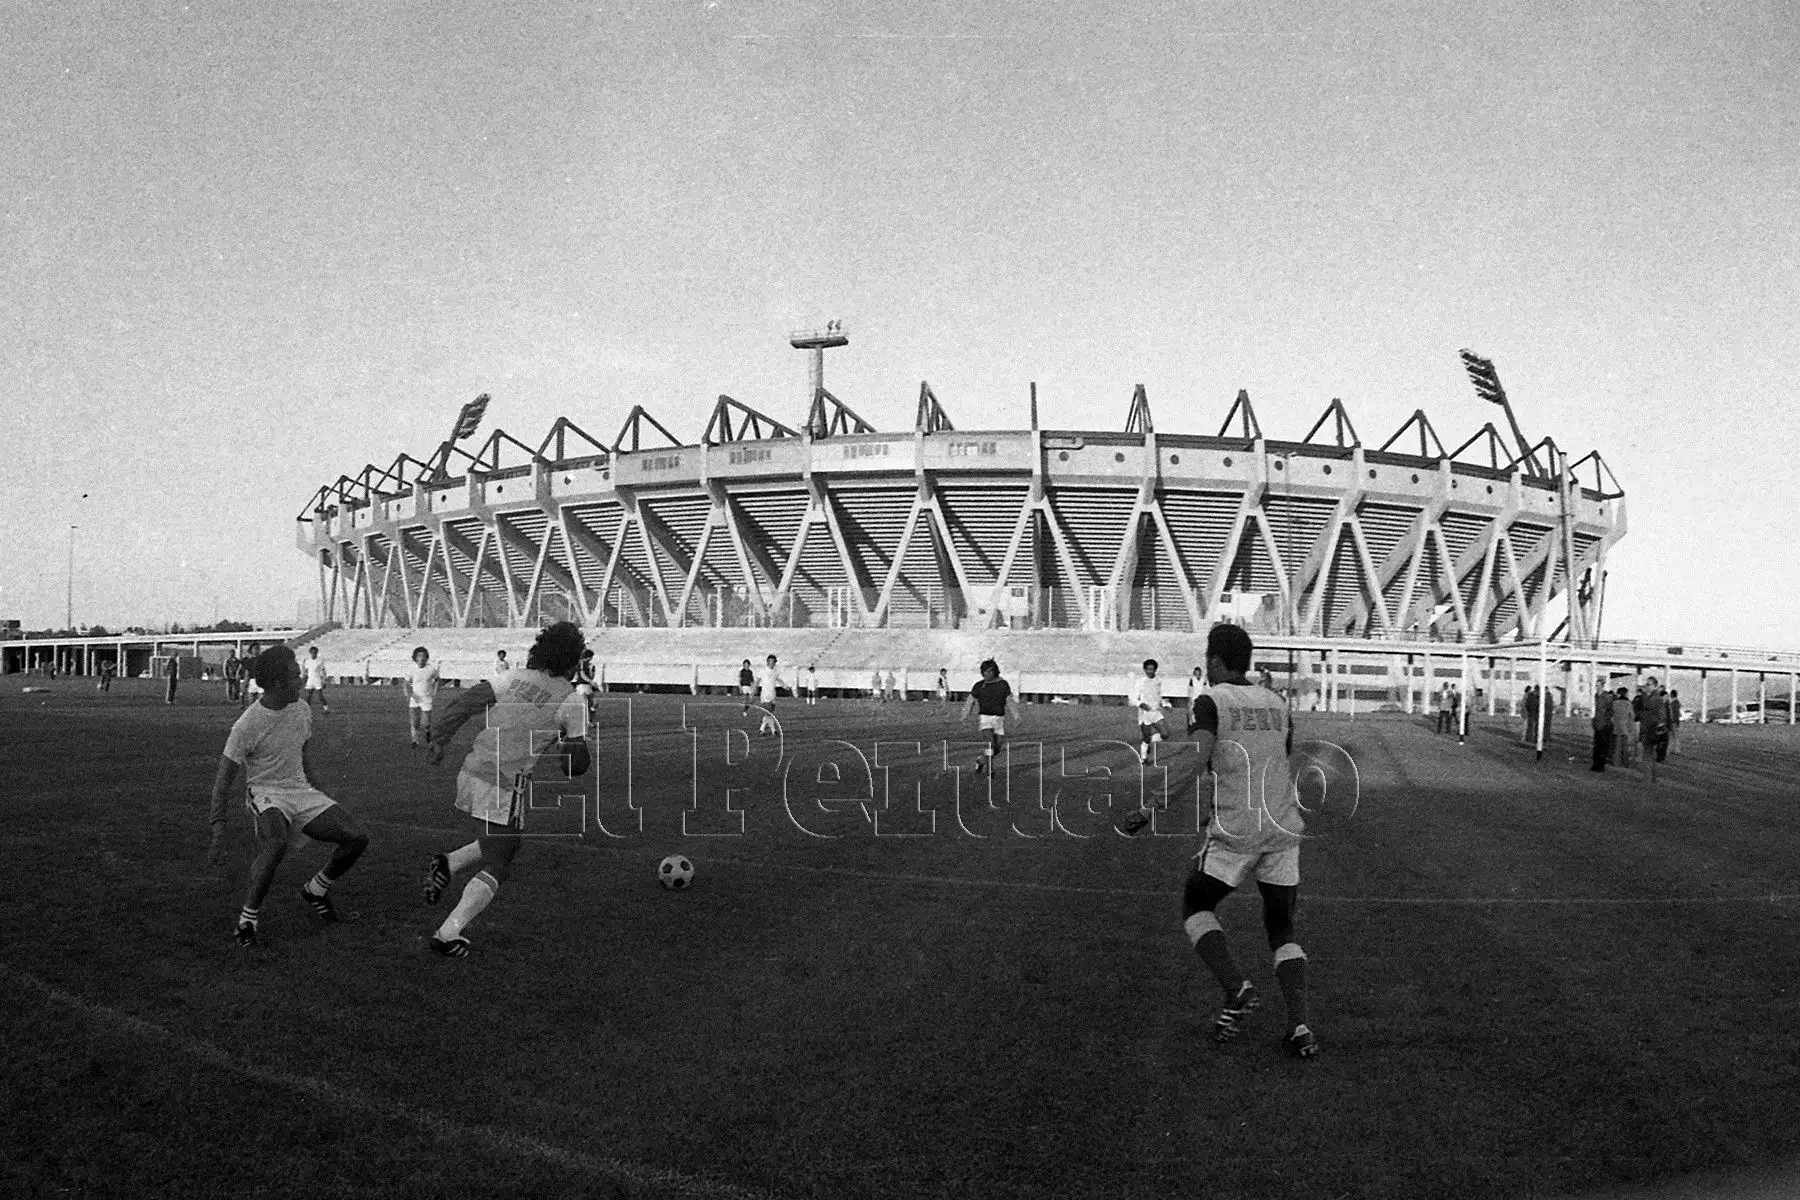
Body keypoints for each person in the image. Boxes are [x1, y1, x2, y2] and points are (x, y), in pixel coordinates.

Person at [1172, 623, 1317, 1058]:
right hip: (1283, 828)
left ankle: (1236, 989)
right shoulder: (1276, 702)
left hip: (1237, 833)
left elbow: (1196, 759)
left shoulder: (1210, 700)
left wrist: (1151, 806)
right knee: (1281, 927)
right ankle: (1300, 1027)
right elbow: (1276, 759)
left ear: (1215, 660)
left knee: (1195, 905)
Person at [421, 622, 590, 958]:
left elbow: (467, 702)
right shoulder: (571, 701)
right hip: (503, 782)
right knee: (501, 858)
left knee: (501, 841)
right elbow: (575, 766)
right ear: (572, 662)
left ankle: (448, 863)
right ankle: (448, 931)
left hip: (471, 770)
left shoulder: (515, 677)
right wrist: (573, 745)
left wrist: (439, 740)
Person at [208, 646, 370, 947]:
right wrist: (218, 826)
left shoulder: (301, 710)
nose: (301, 680)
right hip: (266, 793)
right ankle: (247, 921)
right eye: (296, 676)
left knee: (357, 837)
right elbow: (224, 778)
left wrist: (321, 793)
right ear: (280, 683)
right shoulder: (246, 725)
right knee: (276, 843)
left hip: (301, 791)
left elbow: (303, 757)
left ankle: (316, 890)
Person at [961, 658, 1016, 776]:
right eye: (984, 671)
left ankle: (980, 761)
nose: (986, 674)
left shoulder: (1003, 685)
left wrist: (1016, 716)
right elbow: (970, 701)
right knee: (990, 744)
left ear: (995, 671)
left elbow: (1009, 701)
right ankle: (990, 770)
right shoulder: (979, 686)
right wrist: (965, 715)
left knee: (997, 748)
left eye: (989, 671)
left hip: (999, 720)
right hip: (985, 718)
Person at [1132, 658, 1170, 764]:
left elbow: (1160, 696)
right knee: (1146, 737)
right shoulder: (1140, 682)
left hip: (1156, 712)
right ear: (1144, 670)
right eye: (1148, 669)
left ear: (1155, 670)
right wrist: (1141, 704)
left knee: (1165, 734)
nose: (1150, 671)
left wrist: (1166, 704)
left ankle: (1147, 743)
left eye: (1152, 669)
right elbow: (1132, 698)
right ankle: (1144, 759)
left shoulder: (1158, 681)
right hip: (1145, 714)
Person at [407, 646, 441, 749]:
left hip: (426, 699)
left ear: (426, 657)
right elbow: (406, 683)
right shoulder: (411, 669)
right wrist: (409, 695)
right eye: (419, 656)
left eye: (423, 656)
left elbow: (437, 679)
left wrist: (434, 691)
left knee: (425, 723)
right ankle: (414, 741)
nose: (421, 658)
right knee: (414, 722)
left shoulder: (431, 669)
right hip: (415, 699)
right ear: (415, 658)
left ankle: (427, 733)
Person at [1638, 676, 1669, 765]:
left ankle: (1649, 778)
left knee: (1648, 756)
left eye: (1648, 684)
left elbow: (1648, 705)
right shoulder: (1654, 697)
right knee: (1649, 756)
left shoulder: (1655, 697)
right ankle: (1650, 778)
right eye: (1646, 684)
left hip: (1651, 729)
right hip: (1649, 729)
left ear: (1654, 685)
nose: (1646, 686)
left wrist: (1643, 693)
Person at [756, 654, 781, 737]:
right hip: (765, 694)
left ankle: (772, 730)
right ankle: (763, 729)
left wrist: (784, 685)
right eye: (770, 661)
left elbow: (777, 679)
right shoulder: (762, 671)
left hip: (773, 694)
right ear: (767, 662)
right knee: (768, 712)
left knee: (770, 713)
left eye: (773, 662)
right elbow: (758, 680)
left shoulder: (776, 671)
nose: (772, 663)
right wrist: (754, 690)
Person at [1590, 683, 1613, 772]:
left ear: (1602, 686)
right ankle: (1596, 764)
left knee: (1602, 746)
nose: (1597, 687)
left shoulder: (1606, 696)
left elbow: (1610, 710)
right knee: (1596, 745)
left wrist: (1606, 721)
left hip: (1603, 724)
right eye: (1596, 685)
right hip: (1597, 723)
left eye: (1599, 685)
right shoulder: (1596, 696)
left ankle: (1600, 765)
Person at [301, 645, 331, 714]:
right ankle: (307, 710)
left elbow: (324, 671)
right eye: (313, 652)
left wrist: (324, 680)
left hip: (317, 680)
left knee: (320, 696)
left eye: (315, 652)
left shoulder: (320, 661)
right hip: (310, 680)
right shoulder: (307, 661)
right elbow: (305, 670)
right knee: (308, 696)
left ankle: (326, 709)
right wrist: (304, 678)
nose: (314, 654)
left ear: (317, 653)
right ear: (310, 653)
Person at [1611, 688, 1636, 767]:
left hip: (1616, 727)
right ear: (1625, 694)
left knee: (1617, 746)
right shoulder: (1628, 703)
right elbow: (1632, 716)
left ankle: (1616, 762)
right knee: (1625, 746)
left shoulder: (1614, 703)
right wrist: (1631, 727)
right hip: (1625, 727)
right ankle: (1625, 762)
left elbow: (1612, 715)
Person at [1667, 689, 1683, 755]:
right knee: (1674, 736)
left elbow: (1675, 714)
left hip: (1673, 722)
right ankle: (1674, 749)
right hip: (1675, 722)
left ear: (1672, 695)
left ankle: (1676, 750)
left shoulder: (1674, 703)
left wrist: (1672, 721)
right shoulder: (1676, 702)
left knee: (1674, 736)